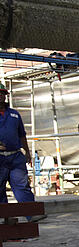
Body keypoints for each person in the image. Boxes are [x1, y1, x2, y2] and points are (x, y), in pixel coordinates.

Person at [0, 83, 46, 222]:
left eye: (2, 93)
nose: (0, 96)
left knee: (22, 186)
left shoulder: (14, 114)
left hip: (15, 156)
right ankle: (4, 217)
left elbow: (22, 134)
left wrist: (27, 151)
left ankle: (31, 214)